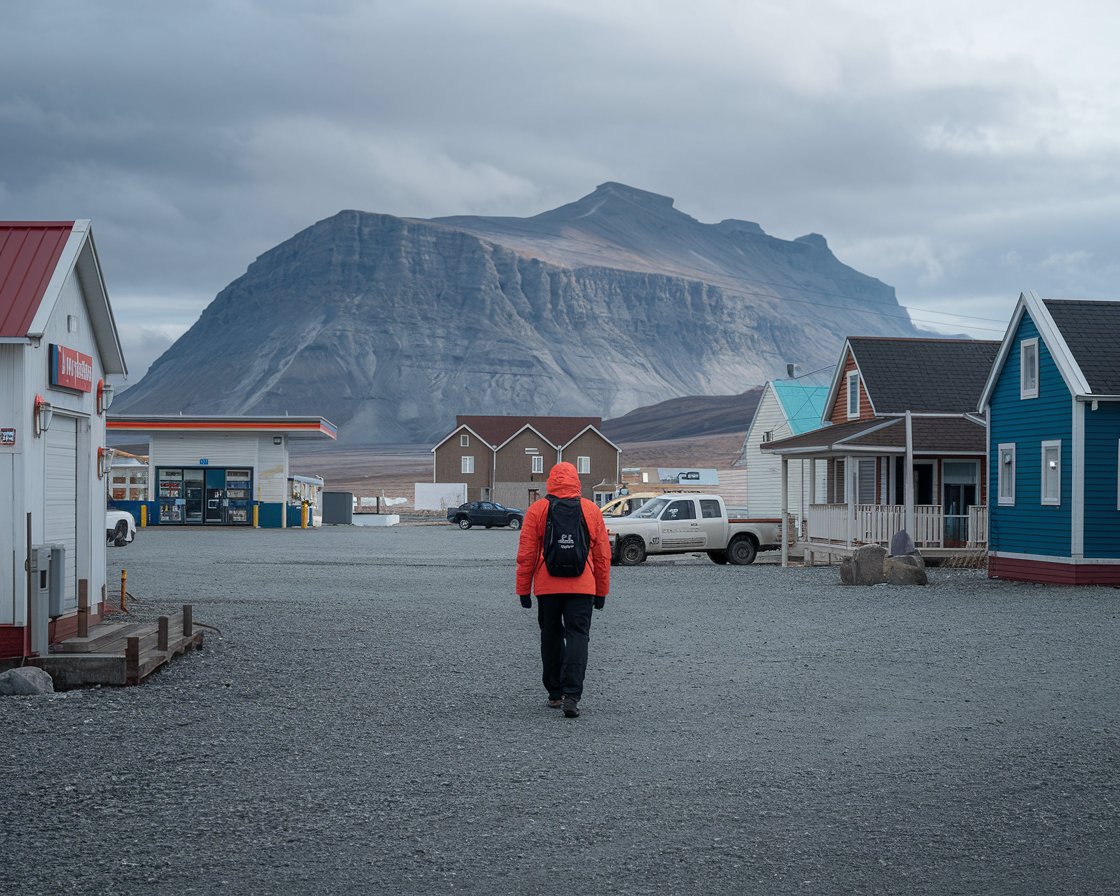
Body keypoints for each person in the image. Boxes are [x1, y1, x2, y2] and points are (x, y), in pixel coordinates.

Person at [516, 461, 611, 718]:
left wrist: (523, 590)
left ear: (551, 481)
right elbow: (603, 556)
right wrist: (601, 591)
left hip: (547, 588)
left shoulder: (537, 509)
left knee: (551, 637)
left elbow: (526, 555)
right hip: (583, 587)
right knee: (578, 637)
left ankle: (555, 694)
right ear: (576, 481)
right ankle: (572, 695)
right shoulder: (591, 510)